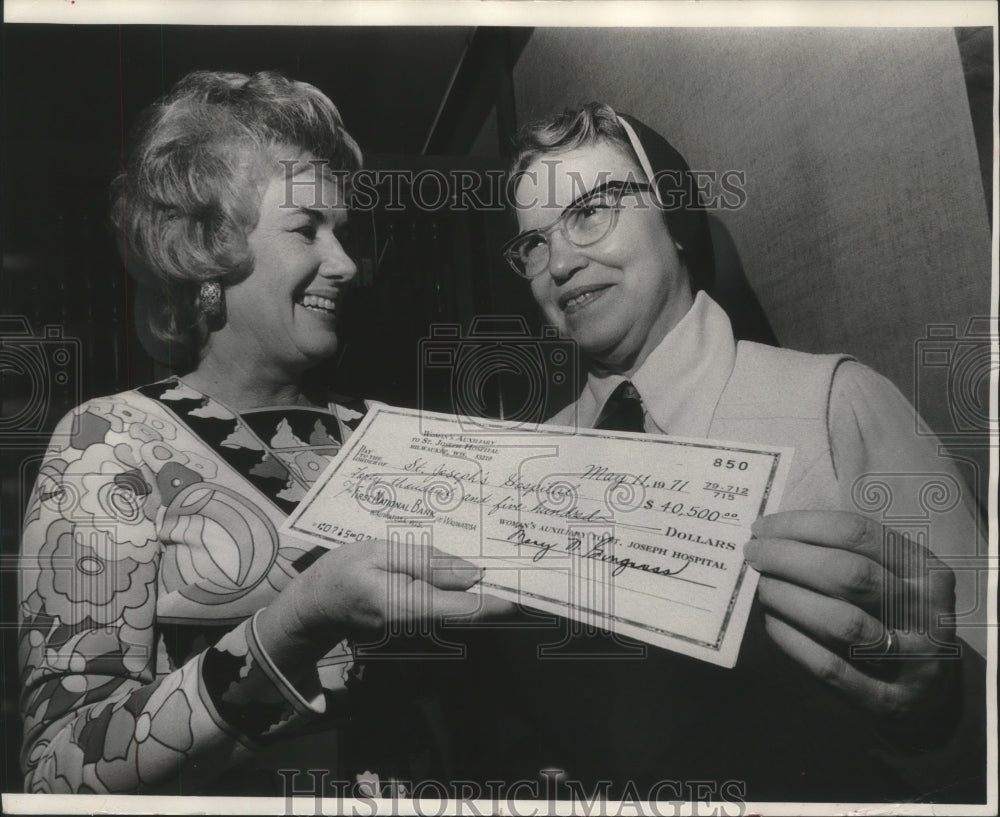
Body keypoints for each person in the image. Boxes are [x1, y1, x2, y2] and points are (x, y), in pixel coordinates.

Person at [474, 102, 987, 802]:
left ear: (674, 217)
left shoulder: (837, 404)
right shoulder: (525, 467)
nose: (560, 261)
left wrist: (943, 707)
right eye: (533, 244)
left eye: (590, 210)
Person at [17, 70, 510, 796]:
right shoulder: (109, 442)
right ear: (208, 250)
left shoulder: (386, 435)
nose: (345, 263)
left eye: (343, 231)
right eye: (308, 229)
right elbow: (57, 767)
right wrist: (300, 620)